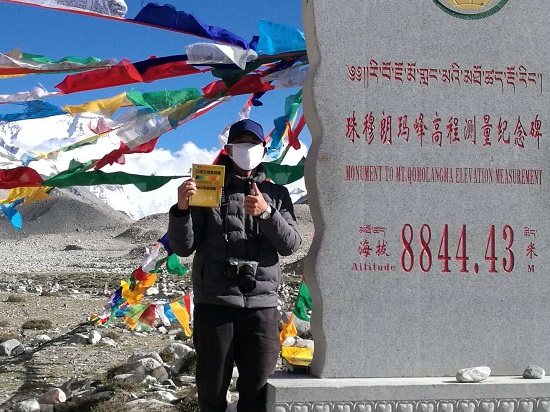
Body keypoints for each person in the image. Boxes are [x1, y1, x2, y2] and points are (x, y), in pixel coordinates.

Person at [168, 119, 302, 412]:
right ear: (228, 150)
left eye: (253, 143)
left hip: (262, 307)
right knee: (212, 391)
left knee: (259, 392)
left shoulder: (277, 195)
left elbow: (291, 244)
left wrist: (267, 214)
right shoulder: (206, 189)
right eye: (240, 143)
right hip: (215, 303)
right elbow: (183, 247)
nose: (247, 149)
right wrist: (181, 210)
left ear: (263, 149)